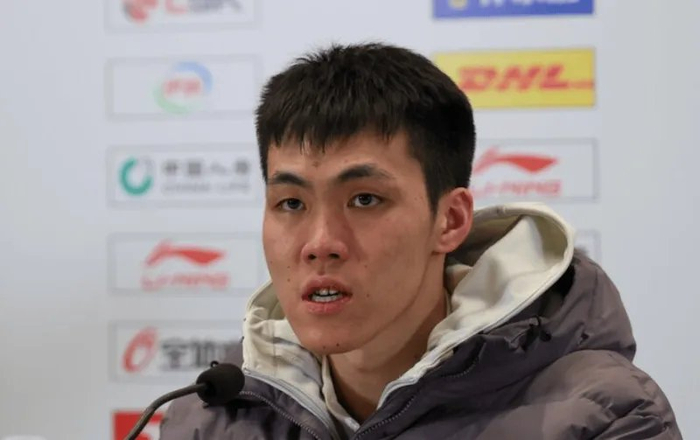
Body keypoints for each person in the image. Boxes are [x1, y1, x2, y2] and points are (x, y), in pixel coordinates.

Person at [159, 42, 682, 439]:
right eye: (291, 204)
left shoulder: (601, 415)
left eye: (365, 199)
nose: (319, 243)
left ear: (450, 220)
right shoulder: (209, 417)